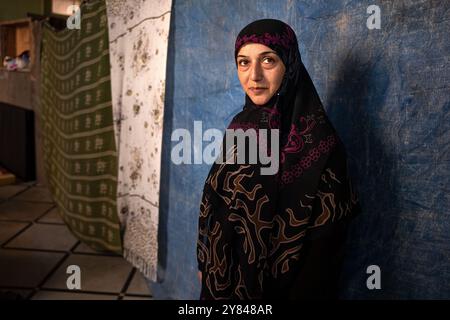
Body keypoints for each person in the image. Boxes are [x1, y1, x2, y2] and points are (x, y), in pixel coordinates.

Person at [197, 19, 361, 300]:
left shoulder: (322, 146)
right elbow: (217, 200)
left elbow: (324, 251)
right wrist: (206, 261)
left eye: (268, 60)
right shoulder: (242, 126)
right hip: (222, 286)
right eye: (244, 63)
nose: (254, 76)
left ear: (290, 64)